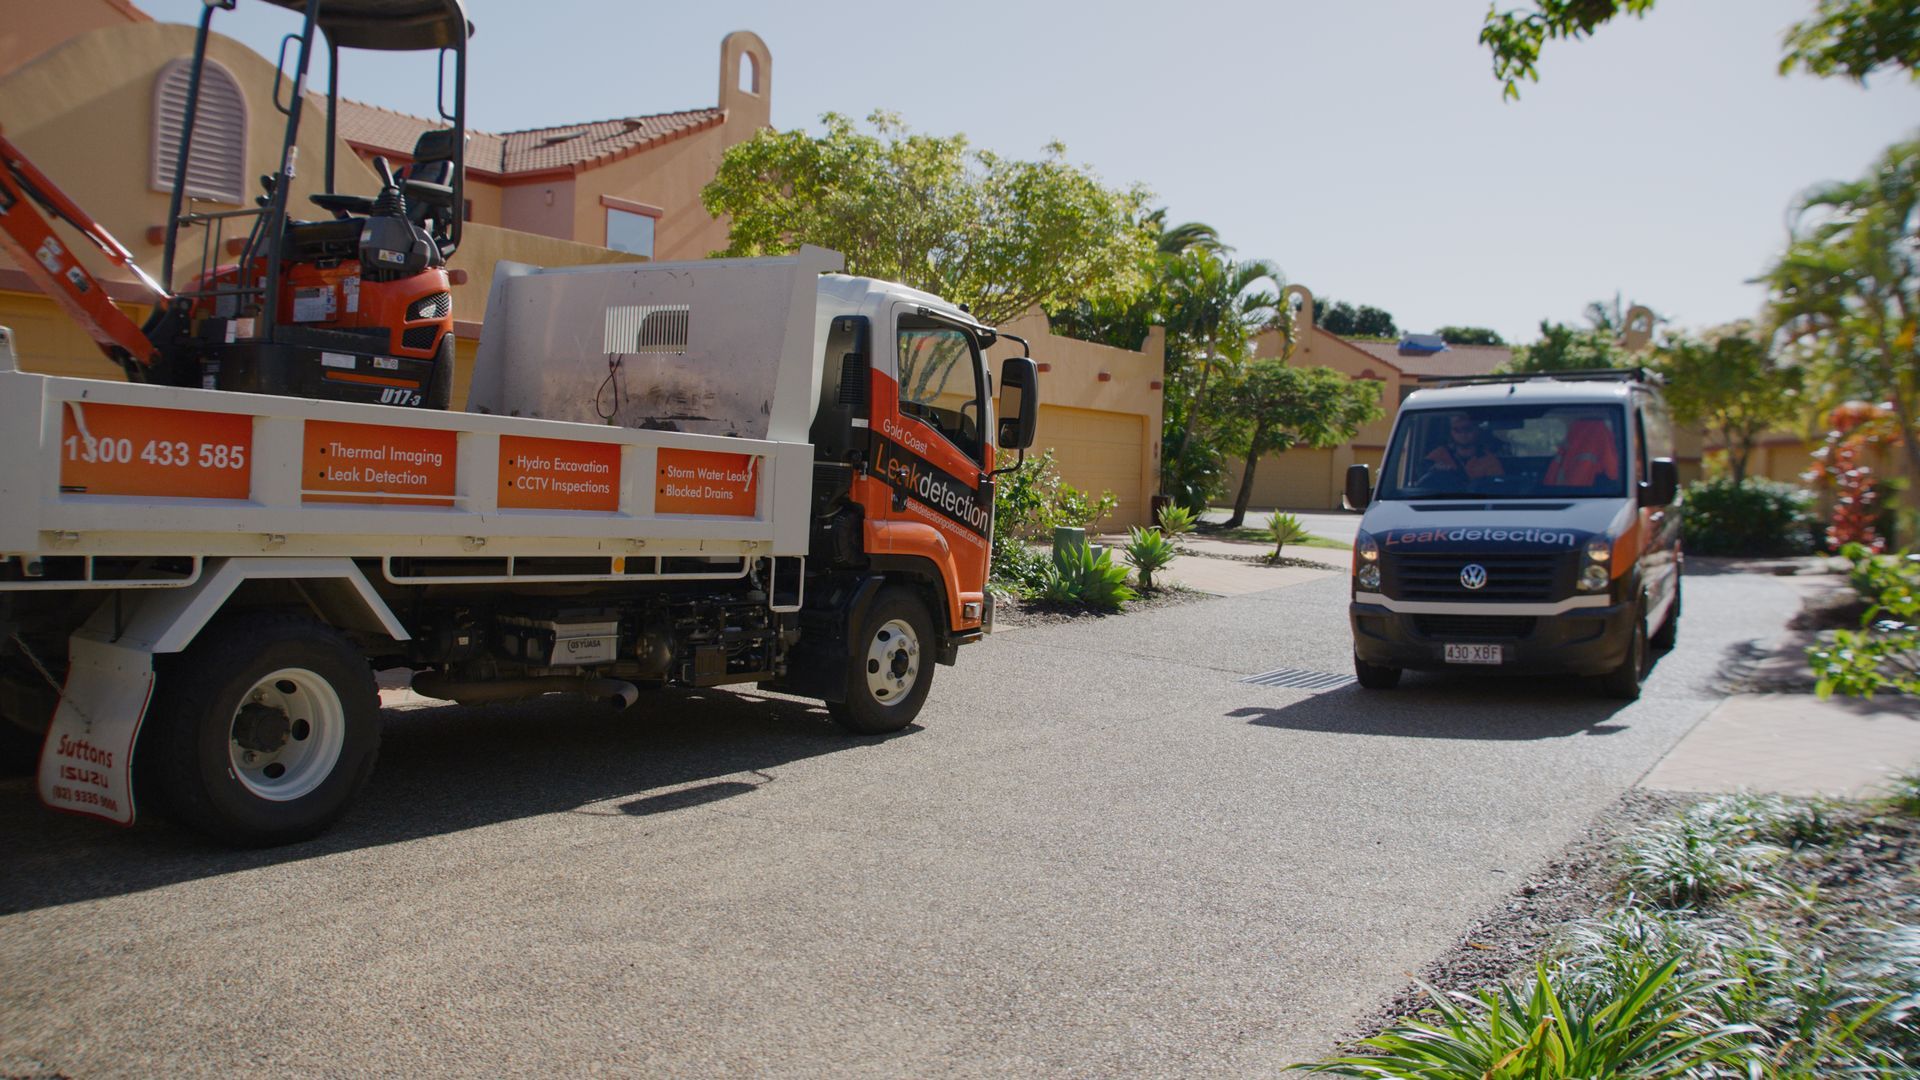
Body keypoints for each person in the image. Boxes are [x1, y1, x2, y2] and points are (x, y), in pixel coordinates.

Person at [1424, 412, 1505, 480]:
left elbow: (1496, 487)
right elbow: (1422, 472)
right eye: (1457, 430)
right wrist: (1434, 470)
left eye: (1467, 428)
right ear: (1451, 432)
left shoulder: (1490, 461)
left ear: (1477, 430)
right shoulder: (1440, 454)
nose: (1463, 434)